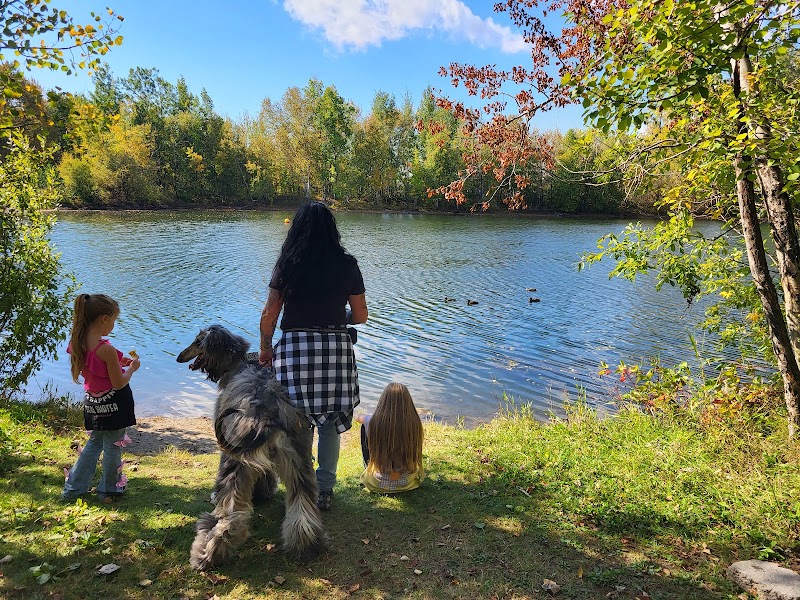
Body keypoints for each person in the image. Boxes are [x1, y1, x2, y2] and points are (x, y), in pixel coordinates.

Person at [259, 201, 368, 511]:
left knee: (297, 422)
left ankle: (299, 485)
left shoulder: (287, 264)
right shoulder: (347, 264)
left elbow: (269, 316)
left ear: (296, 230)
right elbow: (360, 316)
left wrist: (266, 349)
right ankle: (325, 489)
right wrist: (337, 316)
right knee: (330, 421)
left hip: (295, 349)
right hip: (335, 348)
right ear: (332, 231)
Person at [62, 294, 140, 503]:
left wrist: (119, 359)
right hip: (114, 404)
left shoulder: (78, 341)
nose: (113, 325)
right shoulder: (105, 349)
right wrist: (131, 369)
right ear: (104, 319)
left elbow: (97, 365)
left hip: (94, 404)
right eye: (113, 320)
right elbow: (118, 382)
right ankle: (109, 490)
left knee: (94, 443)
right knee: (114, 444)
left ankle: (74, 488)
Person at [356, 382, 424, 494]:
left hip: (376, 482)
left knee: (366, 426)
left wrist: (360, 416)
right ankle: (399, 476)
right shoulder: (415, 423)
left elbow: (358, 417)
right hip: (407, 482)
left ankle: (369, 465)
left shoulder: (374, 422)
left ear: (383, 402)